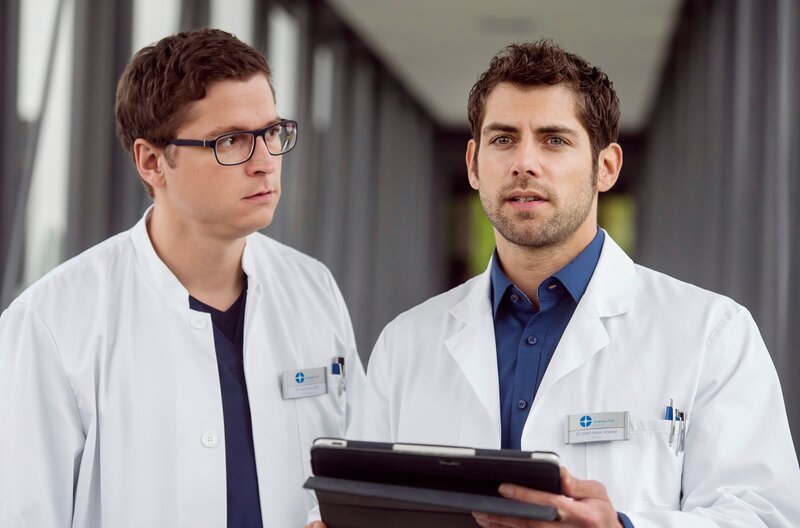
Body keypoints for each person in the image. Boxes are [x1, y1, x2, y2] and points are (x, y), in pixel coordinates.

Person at [345, 41, 800, 527]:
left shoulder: (712, 333)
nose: (525, 162)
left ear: (606, 167)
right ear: (474, 164)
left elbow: (765, 516)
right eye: (503, 139)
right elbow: (358, 502)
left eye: (554, 140)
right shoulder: (406, 342)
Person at [0, 28, 364, 527]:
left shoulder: (312, 288)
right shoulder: (52, 323)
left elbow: (359, 470)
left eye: (272, 132)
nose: (265, 163)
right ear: (152, 162)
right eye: (231, 141)